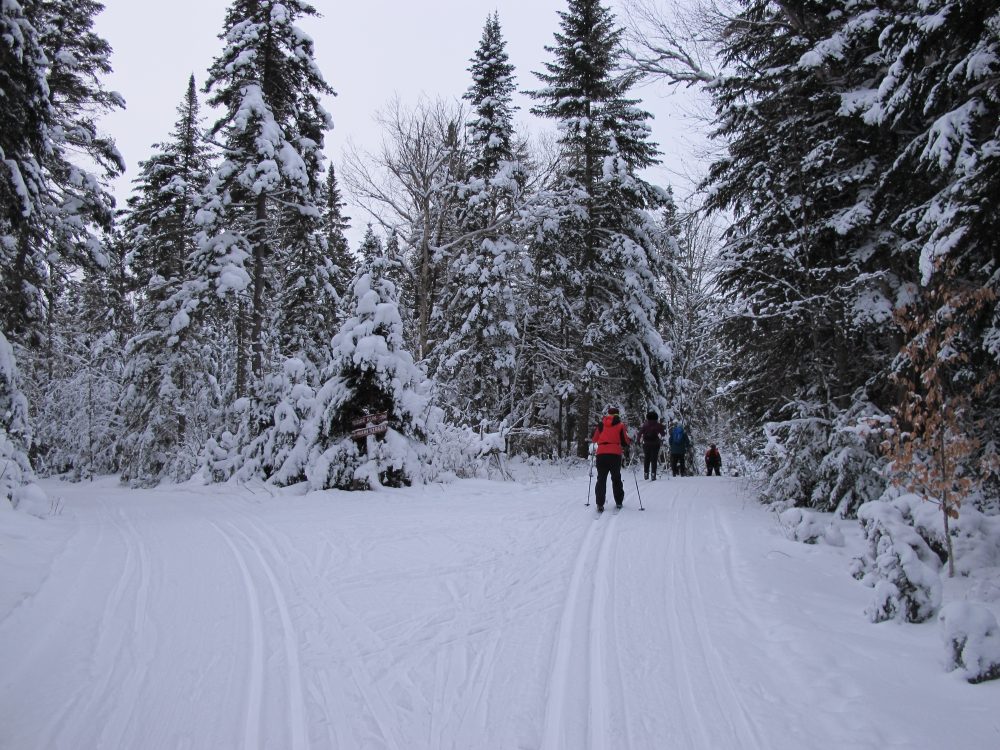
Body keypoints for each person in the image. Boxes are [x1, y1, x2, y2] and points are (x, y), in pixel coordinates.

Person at [591, 406, 631, 511]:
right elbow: (625, 441)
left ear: (608, 415)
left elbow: (594, 439)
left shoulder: (601, 425)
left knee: (601, 479)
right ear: (618, 415)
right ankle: (618, 502)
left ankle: (600, 504)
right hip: (615, 454)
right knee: (616, 478)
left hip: (601, 454)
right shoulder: (621, 425)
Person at [638, 410, 666, 480]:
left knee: (647, 458)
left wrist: (638, 441)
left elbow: (639, 433)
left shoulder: (645, 425)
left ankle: (646, 473)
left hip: (646, 444)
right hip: (655, 444)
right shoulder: (658, 425)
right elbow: (663, 434)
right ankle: (653, 474)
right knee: (654, 459)